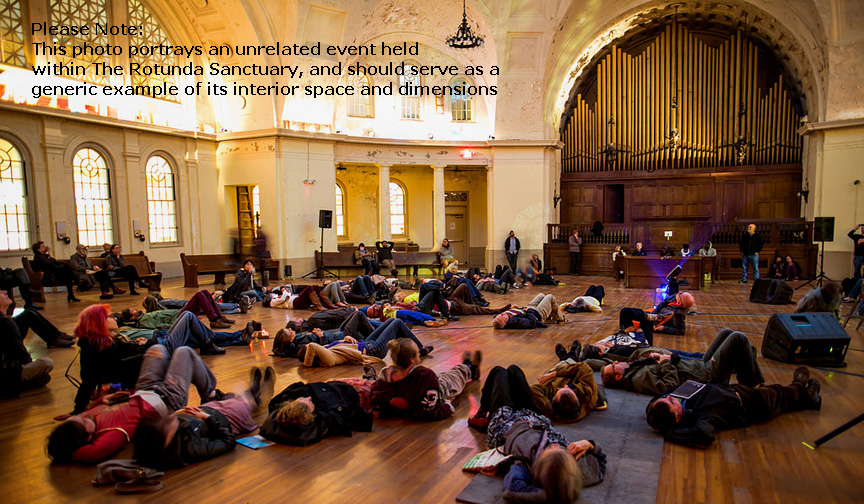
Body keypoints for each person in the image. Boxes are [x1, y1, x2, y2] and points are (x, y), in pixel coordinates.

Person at [46, 346, 248, 463]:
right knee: (184, 351)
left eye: (80, 417)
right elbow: (90, 454)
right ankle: (210, 394)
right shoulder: (113, 434)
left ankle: (177, 372)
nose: (84, 416)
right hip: (166, 399)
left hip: (144, 389)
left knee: (156, 348)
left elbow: (89, 412)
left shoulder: (88, 417)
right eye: (83, 421)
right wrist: (67, 452)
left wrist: (99, 402)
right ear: (88, 437)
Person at [469, 365, 606, 502]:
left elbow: (512, 490)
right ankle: (485, 410)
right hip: (535, 418)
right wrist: (589, 444)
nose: (554, 446)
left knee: (499, 372)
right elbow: (600, 461)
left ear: (540, 465)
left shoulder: (525, 466)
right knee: (514, 370)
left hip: (506, 423)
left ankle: (482, 412)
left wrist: (555, 495)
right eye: (560, 449)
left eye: (550, 451)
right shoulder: (575, 465)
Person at [132, 364, 275, 469]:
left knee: (232, 399)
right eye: (168, 423)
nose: (170, 418)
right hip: (222, 420)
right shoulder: (191, 449)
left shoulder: (158, 438)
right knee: (241, 404)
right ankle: (255, 395)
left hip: (205, 412)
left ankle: (254, 391)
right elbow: (228, 442)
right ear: (167, 439)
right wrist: (206, 417)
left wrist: (179, 413)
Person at [646, 366, 822, 448]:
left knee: (785, 399)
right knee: (783, 392)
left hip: (736, 390)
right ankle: (805, 388)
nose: (670, 397)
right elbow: (705, 434)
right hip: (755, 404)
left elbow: (653, 405)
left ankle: (810, 400)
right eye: (670, 402)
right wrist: (670, 434)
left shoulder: (672, 403)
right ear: (677, 418)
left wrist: (657, 406)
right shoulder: (702, 416)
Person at [601, 329, 764, 395]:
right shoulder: (637, 379)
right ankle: (752, 383)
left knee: (726, 333)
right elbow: (668, 387)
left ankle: (745, 361)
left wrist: (653, 358)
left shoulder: (633, 370)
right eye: (614, 366)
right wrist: (665, 362)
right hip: (705, 375)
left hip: (696, 366)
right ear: (618, 377)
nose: (616, 363)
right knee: (738, 338)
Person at [370, 338, 482, 421]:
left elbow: (376, 395)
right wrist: (447, 407)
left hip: (418, 392)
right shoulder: (424, 376)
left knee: (442, 375)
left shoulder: (385, 374)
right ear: (412, 359)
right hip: (437, 391)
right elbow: (429, 412)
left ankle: (467, 368)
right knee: (452, 378)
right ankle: (469, 368)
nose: (419, 352)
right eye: (417, 352)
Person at [260, 378, 373, 446]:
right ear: (312, 415)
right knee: (371, 386)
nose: (309, 397)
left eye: (303, 399)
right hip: (351, 391)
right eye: (309, 401)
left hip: (334, 385)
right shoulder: (326, 419)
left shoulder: (281, 413)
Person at [0, 291, 60, 398]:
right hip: (7, 373)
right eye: (0, 292)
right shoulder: (5, 323)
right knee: (47, 363)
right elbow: (20, 354)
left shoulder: (6, 322)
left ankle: (57, 336)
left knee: (29, 313)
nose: (5, 292)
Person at [532, 350, 598, 422]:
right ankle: (570, 355)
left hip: (558, 372)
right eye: (570, 389)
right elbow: (583, 367)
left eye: (562, 388)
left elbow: (533, 389)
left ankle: (566, 356)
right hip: (570, 369)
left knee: (561, 364)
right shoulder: (588, 395)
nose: (566, 386)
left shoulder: (550, 394)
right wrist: (554, 374)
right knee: (570, 362)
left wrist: (550, 411)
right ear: (577, 398)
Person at [618, 291, 694, 345]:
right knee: (626, 312)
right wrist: (653, 313)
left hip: (655, 322)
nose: (679, 292)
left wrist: (663, 328)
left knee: (625, 312)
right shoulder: (675, 297)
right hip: (654, 315)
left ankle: (625, 331)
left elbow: (680, 331)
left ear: (679, 303)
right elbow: (663, 303)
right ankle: (627, 329)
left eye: (681, 294)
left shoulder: (678, 314)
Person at [493, 293, 563, 329]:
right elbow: (532, 322)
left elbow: (499, 315)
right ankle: (560, 318)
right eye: (501, 316)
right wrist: (529, 310)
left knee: (541, 295)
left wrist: (512, 308)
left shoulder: (503, 316)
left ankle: (550, 314)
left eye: (499, 315)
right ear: (505, 322)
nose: (501, 314)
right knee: (550, 297)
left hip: (529, 308)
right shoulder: (516, 322)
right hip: (537, 313)